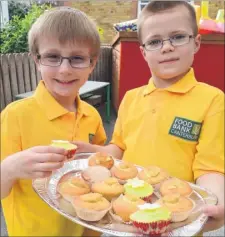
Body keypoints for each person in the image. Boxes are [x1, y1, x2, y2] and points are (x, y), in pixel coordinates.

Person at [74, 1, 224, 233]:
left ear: (196, 43)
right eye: (155, 41)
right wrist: (90, 150)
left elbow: (210, 168)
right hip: (127, 219)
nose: (166, 47)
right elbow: (118, 150)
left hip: (177, 222)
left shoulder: (212, 100)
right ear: (143, 52)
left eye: (177, 37)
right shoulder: (131, 98)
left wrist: (215, 201)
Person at [1, 7, 106, 236]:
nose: (65, 69)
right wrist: (9, 169)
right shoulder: (15, 116)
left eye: (77, 58)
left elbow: (100, 172)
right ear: (37, 60)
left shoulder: (92, 116)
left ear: (92, 63)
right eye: (52, 57)